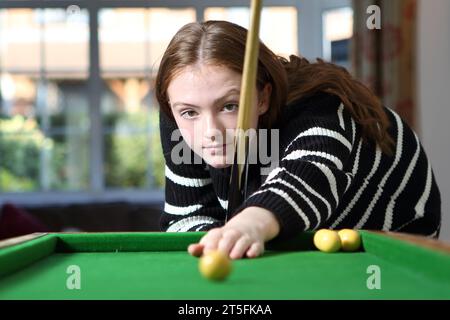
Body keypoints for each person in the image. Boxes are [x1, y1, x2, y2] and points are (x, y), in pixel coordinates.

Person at [155, 20, 441, 260]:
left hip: (394, 234)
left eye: (230, 106)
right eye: (190, 112)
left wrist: (248, 226)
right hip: (298, 234)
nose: (210, 131)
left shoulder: (319, 108)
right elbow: (187, 217)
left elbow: (307, 177)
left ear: (263, 97)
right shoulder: (178, 111)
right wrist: (219, 243)